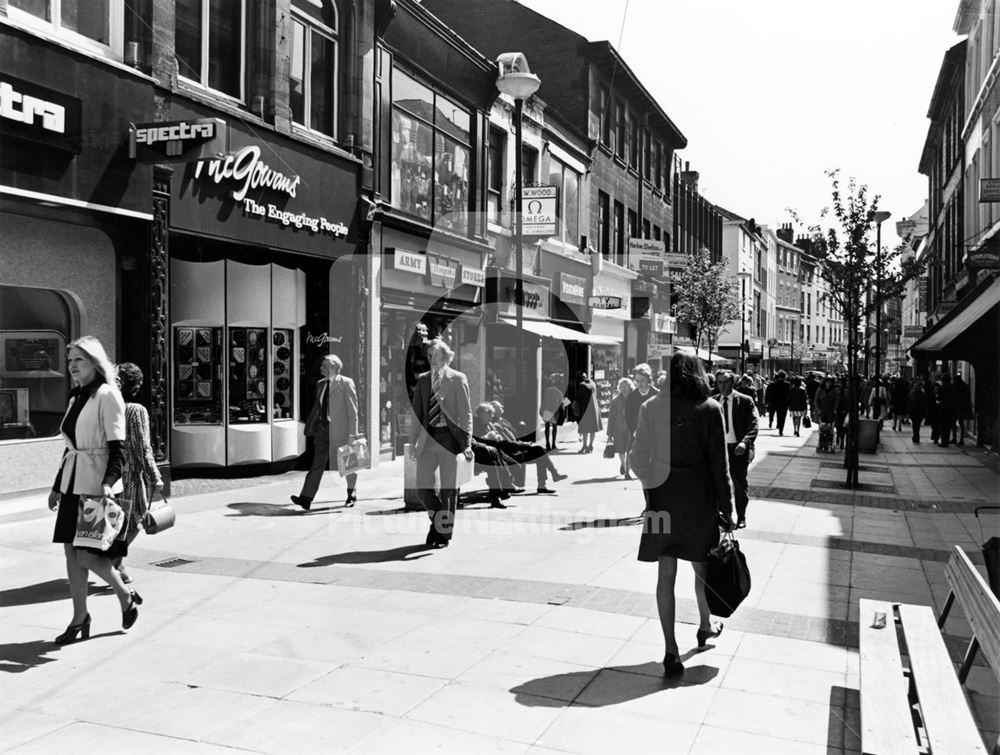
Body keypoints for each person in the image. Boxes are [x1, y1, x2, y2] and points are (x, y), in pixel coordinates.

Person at [630, 352, 735, 678]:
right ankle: (705, 625)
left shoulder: (651, 408)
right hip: (699, 504)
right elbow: (721, 466)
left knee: (666, 575)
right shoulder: (710, 409)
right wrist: (728, 507)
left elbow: (636, 459)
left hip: (663, 502)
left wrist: (652, 486)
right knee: (702, 569)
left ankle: (671, 650)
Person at [48, 336, 138, 644]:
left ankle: (124, 593)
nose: (72, 366)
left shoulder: (107, 394)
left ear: (95, 363)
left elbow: (119, 447)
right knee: (71, 553)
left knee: (87, 554)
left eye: (79, 360)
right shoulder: (76, 397)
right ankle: (80, 617)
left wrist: (108, 484)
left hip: (97, 485)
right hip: (73, 482)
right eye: (70, 360)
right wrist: (57, 487)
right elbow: (71, 447)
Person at [409, 339, 473, 548]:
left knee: (448, 490)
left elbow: (466, 414)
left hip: (449, 439)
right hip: (428, 439)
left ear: (445, 357)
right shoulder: (423, 380)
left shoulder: (457, 379)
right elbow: (417, 413)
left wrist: (467, 444)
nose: (430, 359)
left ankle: (443, 533)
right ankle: (439, 523)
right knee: (422, 487)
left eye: (434, 355)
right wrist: (412, 442)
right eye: (428, 356)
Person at [113, 363, 164, 585]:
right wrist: (155, 476)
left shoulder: (106, 407)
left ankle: (115, 564)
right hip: (129, 475)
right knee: (134, 521)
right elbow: (143, 447)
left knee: (113, 521)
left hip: (106, 475)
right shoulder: (136, 410)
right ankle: (114, 564)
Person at [292, 354, 359, 511]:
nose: (321, 368)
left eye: (324, 366)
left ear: (333, 368)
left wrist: (352, 435)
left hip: (342, 431)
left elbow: (353, 412)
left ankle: (351, 493)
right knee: (317, 464)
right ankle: (306, 498)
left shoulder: (346, 383)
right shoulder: (320, 384)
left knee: (348, 464)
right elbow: (319, 406)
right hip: (323, 429)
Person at [482, 400, 566, 493]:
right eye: (499, 407)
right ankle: (551, 476)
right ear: (493, 411)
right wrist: (524, 446)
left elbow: (513, 436)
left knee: (540, 451)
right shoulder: (494, 425)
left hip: (517, 448)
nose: (502, 407)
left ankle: (544, 483)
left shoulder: (503, 420)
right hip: (511, 453)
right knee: (539, 450)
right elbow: (505, 443)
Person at [712, 371, 758, 529]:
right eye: (719, 382)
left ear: (733, 383)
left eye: (725, 382)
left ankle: (741, 516)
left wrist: (745, 443)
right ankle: (722, 516)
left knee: (739, 484)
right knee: (717, 484)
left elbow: (753, 425)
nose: (722, 386)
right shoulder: (712, 402)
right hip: (719, 450)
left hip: (738, 450)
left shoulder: (745, 401)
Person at [606, 377, 635, 478]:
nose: (623, 389)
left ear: (630, 387)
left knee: (630, 451)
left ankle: (627, 471)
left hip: (632, 429)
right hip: (618, 429)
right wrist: (609, 434)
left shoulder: (635, 397)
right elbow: (611, 418)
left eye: (625, 386)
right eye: (621, 386)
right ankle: (622, 463)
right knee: (621, 449)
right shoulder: (615, 401)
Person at [625, 363, 658, 449]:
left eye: (642, 380)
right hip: (637, 435)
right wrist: (633, 431)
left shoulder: (657, 394)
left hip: (655, 435)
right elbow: (628, 417)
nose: (639, 383)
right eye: (637, 380)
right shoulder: (632, 397)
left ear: (649, 379)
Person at [573, 372, 602, 453]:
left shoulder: (582, 385)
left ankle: (584, 446)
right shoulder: (593, 384)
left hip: (585, 409)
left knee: (585, 428)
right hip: (594, 409)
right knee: (592, 428)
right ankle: (590, 446)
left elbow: (578, 399)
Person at [539, 374, 566, 450]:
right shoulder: (559, 392)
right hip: (555, 411)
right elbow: (562, 403)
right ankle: (553, 444)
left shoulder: (547, 390)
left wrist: (541, 410)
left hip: (547, 410)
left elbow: (543, 401)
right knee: (554, 427)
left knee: (547, 427)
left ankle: (547, 443)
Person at [952, 374, 973, 446]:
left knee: (954, 423)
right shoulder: (966, 386)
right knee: (961, 423)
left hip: (956, 407)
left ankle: (955, 438)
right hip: (963, 407)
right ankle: (961, 439)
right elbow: (968, 397)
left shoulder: (955, 387)